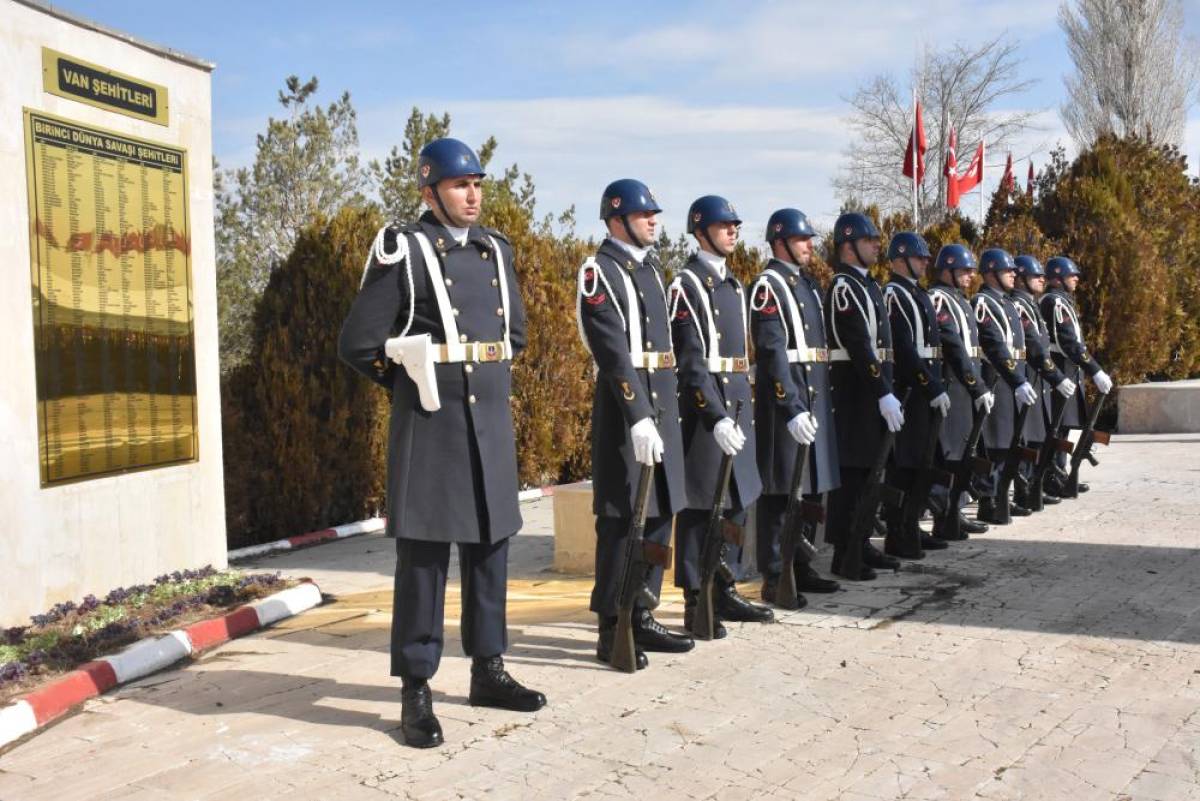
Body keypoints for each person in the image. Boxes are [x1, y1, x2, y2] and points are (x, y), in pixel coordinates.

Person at [339, 138, 545, 749]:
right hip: (430, 423)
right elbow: (358, 342)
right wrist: (409, 380)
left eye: (478, 182)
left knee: (491, 550)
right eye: (460, 185)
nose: (473, 194)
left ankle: (489, 670)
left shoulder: (494, 250)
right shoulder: (403, 248)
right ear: (430, 192)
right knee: (424, 563)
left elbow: (517, 337)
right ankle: (416, 690)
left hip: (488, 423)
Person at [577, 178, 693, 670]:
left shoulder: (649, 271)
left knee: (660, 514)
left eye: (654, 215)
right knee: (622, 520)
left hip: (661, 404)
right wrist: (639, 416)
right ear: (616, 219)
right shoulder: (598, 271)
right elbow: (612, 351)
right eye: (645, 215)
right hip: (628, 410)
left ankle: (643, 612)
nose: (654, 222)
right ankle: (612, 626)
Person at [669, 195, 773, 637]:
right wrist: (714, 416)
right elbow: (691, 364)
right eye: (723, 225)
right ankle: (697, 599)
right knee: (700, 509)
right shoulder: (686, 286)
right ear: (700, 231)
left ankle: (725, 586)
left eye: (735, 225)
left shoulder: (734, 286)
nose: (733, 231)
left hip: (736, 403)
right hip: (707, 410)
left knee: (736, 502)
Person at [749, 208, 841, 606]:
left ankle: (801, 567)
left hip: (814, 400)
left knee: (810, 492)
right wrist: (791, 407)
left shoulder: (806, 284)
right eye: (803, 240)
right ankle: (775, 574)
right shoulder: (768, 286)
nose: (809, 246)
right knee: (781, 492)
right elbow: (772, 352)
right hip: (787, 407)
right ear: (780, 241)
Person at [823, 212, 902, 580]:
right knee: (853, 476)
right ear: (848, 245)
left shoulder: (869, 286)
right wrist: (882, 391)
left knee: (872, 470)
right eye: (869, 240)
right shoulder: (844, 288)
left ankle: (863, 541)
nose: (876, 245)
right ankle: (844, 551)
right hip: (855, 393)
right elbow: (858, 345)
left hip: (874, 391)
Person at [882, 232, 951, 557]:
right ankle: (899, 530)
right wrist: (930, 385)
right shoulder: (894, 294)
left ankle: (913, 525)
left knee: (924, 464)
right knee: (906, 467)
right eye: (919, 257)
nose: (925, 262)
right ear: (899, 260)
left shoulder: (918, 293)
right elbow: (905, 349)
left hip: (925, 391)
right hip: (910, 390)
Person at [927, 244, 993, 540]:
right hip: (953, 384)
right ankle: (945, 516)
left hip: (965, 386)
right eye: (965, 270)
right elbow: (952, 345)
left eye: (971, 270)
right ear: (948, 270)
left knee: (965, 455)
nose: (970, 275)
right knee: (951, 456)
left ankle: (954, 512)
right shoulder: (939, 298)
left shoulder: (960, 300)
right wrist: (975, 384)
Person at [971, 248, 1039, 523]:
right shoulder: (983, 302)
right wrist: (1017, 380)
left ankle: (1002, 497)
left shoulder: (1008, 304)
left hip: (1014, 378)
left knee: (1010, 444)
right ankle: (989, 500)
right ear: (990, 274)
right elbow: (995, 345)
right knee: (995, 445)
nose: (1014, 274)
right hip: (997, 379)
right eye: (1006, 270)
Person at [1040, 256, 1114, 494]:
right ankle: (1051, 475)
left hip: (1069, 370)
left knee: (1064, 427)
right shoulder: (1053, 302)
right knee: (1057, 426)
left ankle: (1059, 472)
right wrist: (1095, 370)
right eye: (1072, 275)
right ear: (1059, 278)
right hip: (1060, 370)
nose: (1076, 279)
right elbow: (1069, 343)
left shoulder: (1063, 301)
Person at [1011, 255, 1075, 508]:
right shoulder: (1019, 305)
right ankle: (1022, 489)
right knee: (1025, 437)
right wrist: (1056, 377)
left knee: (1037, 435)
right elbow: (1034, 347)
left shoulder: (1031, 305)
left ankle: (1032, 484)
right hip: (1028, 374)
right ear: (1022, 279)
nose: (1041, 279)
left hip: (1039, 377)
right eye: (1036, 276)